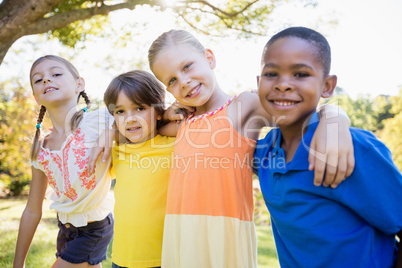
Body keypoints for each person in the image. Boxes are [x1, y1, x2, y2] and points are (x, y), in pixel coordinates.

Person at [147, 29, 355, 267]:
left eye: (187, 66)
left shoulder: (243, 106)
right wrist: (165, 114)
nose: (183, 81)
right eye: (171, 81)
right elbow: (145, 129)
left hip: (223, 233)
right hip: (180, 230)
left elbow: (301, 112)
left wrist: (334, 118)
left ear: (209, 58)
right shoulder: (184, 122)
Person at [254, 26, 402, 268]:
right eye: (271, 74)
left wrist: (333, 115)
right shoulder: (263, 152)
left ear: (328, 86)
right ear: (259, 83)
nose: (283, 84)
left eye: (300, 74)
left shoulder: (354, 148)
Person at [13, 55, 114, 268]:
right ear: (35, 96)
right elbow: (32, 209)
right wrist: (18, 263)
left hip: (95, 228)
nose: (46, 80)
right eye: (38, 80)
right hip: (66, 229)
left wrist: (112, 132)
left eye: (56, 74)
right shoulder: (41, 149)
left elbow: (144, 115)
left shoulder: (100, 121)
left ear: (79, 84)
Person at [103, 70, 177, 268]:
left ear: (159, 111)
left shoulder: (174, 145)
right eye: (120, 111)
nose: (130, 118)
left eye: (139, 108)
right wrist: (110, 132)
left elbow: (194, 114)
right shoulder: (116, 150)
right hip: (122, 257)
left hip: (164, 258)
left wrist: (166, 119)